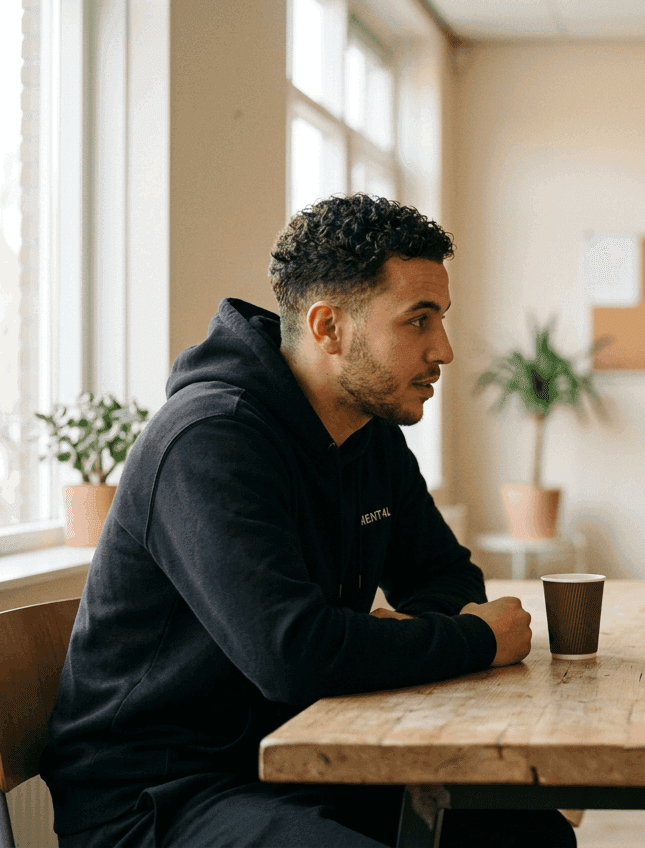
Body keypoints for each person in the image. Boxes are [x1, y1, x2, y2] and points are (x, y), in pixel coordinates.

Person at [41, 194, 577, 848]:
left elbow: (446, 575)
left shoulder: (369, 433)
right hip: (158, 795)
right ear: (328, 327)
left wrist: (401, 631)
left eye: (442, 318)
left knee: (529, 835)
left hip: (305, 753)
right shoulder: (209, 441)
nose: (444, 349)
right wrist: (472, 639)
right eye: (418, 320)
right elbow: (292, 654)